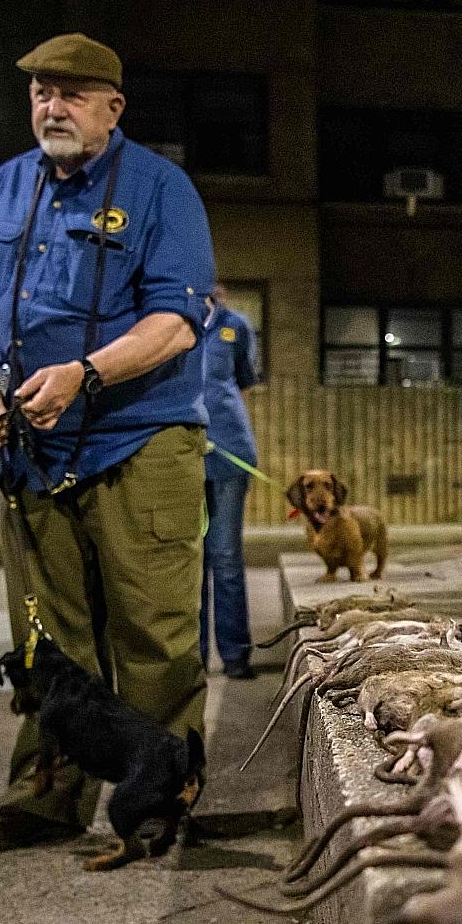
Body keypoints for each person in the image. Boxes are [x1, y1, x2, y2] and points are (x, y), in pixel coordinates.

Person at [0, 33, 216, 852]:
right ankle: (45, 794)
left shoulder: (161, 189)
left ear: (113, 106)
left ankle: (159, 800)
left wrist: (85, 374)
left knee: (151, 631)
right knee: (47, 638)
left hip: (139, 440)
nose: (52, 107)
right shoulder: (6, 185)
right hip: (32, 448)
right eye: (40, 93)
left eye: (71, 93)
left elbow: (177, 322)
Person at [199, 284, 261, 679]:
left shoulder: (234, 326)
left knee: (225, 556)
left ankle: (235, 654)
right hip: (182, 459)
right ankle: (194, 657)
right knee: (190, 563)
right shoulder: (170, 322)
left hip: (228, 453)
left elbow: (243, 381)